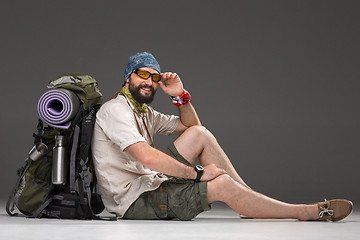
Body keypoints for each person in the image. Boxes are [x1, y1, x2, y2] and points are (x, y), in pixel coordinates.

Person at [92, 52, 353, 221]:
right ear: (128, 79)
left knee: (200, 135)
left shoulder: (143, 112)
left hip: (149, 184)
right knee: (222, 184)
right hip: (131, 202)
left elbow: (191, 126)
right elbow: (147, 158)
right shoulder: (115, 110)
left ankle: (250, 201)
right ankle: (307, 212)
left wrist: (180, 96)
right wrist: (197, 174)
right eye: (143, 74)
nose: (149, 81)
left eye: (154, 76)